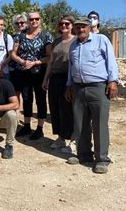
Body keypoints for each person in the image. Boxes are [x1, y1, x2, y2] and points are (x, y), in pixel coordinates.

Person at [65, 16, 119, 174]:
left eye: (83, 27)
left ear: (89, 27)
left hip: (98, 87)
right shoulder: (73, 45)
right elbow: (71, 67)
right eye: (78, 27)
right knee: (80, 123)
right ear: (74, 29)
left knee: (99, 124)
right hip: (78, 88)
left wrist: (113, 81)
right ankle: (84, 155)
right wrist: (68, 85)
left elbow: (111, 61)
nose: (80, 30)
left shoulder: (101, 40)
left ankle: (102, 159)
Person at [11, 11, 53, 140]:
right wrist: (23, 62)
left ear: (40, 20)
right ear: (28, 21)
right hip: (23, 72)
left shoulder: (46, 35)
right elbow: (13, 53)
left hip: (40, 72)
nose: (33, 21)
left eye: (36, 19)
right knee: (26, 98)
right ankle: (27, 125)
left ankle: (40, 128)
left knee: (40, 99)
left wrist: (34, 63)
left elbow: (49, 56)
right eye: (31, 19)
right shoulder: (20, 36)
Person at [42, 15, 77, 153]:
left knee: (68, 109)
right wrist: (46, 79)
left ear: (72, 25)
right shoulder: (56, 42)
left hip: (68, 78)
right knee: (55, 108)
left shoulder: (76, 41)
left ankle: (73, 138)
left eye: (67, 24)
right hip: (55, 78)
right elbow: (50, 62)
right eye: (61, 24)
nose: (64, 26)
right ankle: (60, 137)